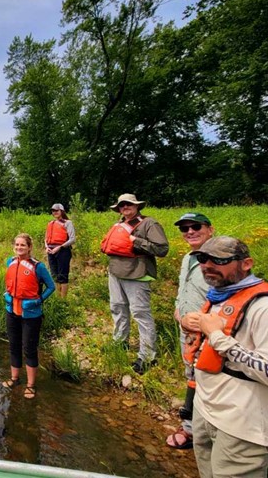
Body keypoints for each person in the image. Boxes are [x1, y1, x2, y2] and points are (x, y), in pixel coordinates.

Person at [181, 237, 268, 477]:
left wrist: (217, 337)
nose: (208, 265)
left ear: (246, 263)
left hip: (241, 428)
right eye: (202, 259)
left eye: (219, 260)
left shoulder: (262, 307)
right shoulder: (220, 295)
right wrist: (191, 325)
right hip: (205, 411)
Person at [100, 193, 168, 374]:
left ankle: (147, 355)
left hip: (137, 274)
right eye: (122, 205)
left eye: (128, 204)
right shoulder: (118, 224)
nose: (125, 207)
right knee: (118, 308)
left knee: (140, 314)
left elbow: (162, 249)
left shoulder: (149, 224)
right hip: (115, 273)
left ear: (137, 206)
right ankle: (120, 342)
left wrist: (136, 241)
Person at [166, 212, 214, 450]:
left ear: (210, 229)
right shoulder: (188, 258)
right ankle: (192, 427)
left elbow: (227, 295)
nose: (190, 232)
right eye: (185, 229)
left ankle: (197, 431)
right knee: (191, 375)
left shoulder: (218, 259)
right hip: (187, 329)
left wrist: (207, 321)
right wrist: (178, 308)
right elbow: (182, 288)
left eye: (195, 227)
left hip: (209, 332)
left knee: (207, 378)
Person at [2, 233, 55, 399]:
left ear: (30, 247)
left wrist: (38, 301)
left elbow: (51, 287)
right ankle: (15, 378)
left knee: (29, 348)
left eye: (22, 245)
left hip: (31, 314)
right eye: (17, 245)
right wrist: (6, 294)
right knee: (14, 345)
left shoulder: (38, 266)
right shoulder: (10, 262)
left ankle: (31, 385)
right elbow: (12, 282)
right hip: (12, 310)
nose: (19, 248)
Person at [44, 203, 76, 298]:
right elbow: (46, 238)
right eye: (53, 211)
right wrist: (46, 247)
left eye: (57, 210)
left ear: (62, 211)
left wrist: (60, 247)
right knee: (55, 275)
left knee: (62, 276)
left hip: (63, 251)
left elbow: (72, 239)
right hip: (51, 251)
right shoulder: (50, 223)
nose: (55, 212)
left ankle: (63, 300)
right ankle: (58, 298)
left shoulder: (67, 223)